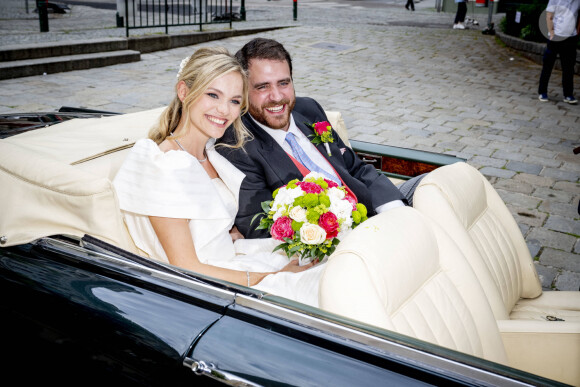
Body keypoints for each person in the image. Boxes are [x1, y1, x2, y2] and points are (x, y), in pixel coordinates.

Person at [113, 47, 324, 307]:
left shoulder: (212, 155)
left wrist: (229, 234)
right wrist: (272, 277)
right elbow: (186, 266)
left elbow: (209, 223)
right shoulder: (164, 165)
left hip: (235, 261)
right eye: (213, 95)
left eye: (235, 101)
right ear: (184, 92)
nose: (224, 110)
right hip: (209, 289)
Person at [217, 38, 423, 239]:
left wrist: (394, 211)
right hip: (346, 240)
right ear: (243, 91)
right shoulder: (238, 147)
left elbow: (355, 168)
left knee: (440, 181)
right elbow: (257, 224)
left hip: (377, 209)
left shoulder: (308, 109)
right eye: (262, 87)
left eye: (283, 83)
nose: (277, 96)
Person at [537, 0, 580, 104]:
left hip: (570, 37)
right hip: (556, 36)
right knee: (548, 65)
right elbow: (549, 15)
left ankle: (568, 95)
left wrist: (577, 31)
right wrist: (551, 33)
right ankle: (542, 92)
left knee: (569, 67)